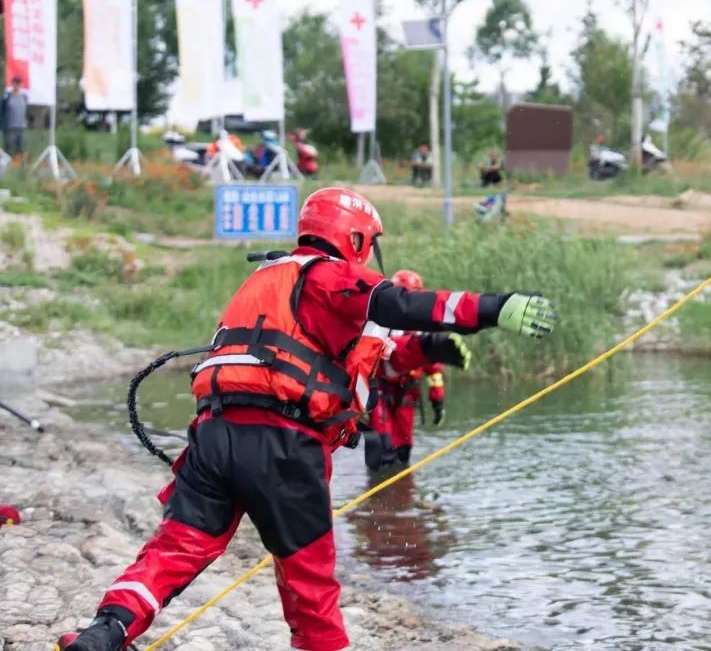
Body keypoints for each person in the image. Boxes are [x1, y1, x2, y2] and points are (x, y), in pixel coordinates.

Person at [57, 187, 556, 651]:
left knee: (174, 551)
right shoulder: (329, 275)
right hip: (282, 446)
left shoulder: (263, 279)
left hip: (212, 436)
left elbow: (374, 352)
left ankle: (106, 631)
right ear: (354, 237)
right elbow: (401, 306)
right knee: (310, 588)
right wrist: (496, 307)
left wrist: (435, 352)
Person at [368, 270, 456, 469]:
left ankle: (402, 495)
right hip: (380, 390)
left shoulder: (421, 328)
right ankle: (378, 494)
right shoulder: (379, 323)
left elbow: (433, 368)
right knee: (383, 448)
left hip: (407, 391)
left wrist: (437, 399)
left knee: (404, 450)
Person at [1, 76, 29, 161]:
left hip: (21, 127)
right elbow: (2, 111)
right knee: (9, 149)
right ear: (12, 84)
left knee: (22, 150)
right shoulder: (7, 97)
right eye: (15, 83)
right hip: (10, 128)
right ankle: (6, 168)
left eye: (18, 83)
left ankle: (20, 169)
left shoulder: (24, 97)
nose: (17, 85)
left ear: (21, 85)